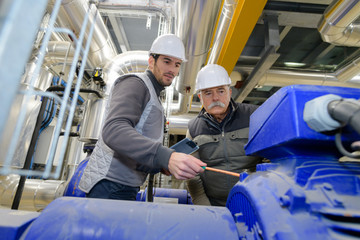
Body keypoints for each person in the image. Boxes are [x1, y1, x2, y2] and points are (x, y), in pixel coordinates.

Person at [79, 34, 206, 200]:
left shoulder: (154, 95)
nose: (172, 70)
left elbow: (137, 150)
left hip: (125, 185)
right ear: (151, 61)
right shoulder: (135, 83)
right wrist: (165, 156)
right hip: (109, 185)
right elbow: (114, 131)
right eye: (167, 61)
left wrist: (161, 164)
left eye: (177, 65)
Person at [186, 64, 263, 206]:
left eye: (221, 91)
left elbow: (272, 159)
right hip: (214, 204)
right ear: (200, 97)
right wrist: (205, 208)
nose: (215, 98)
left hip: (255, 201)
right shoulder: (193, 129)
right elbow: (193, 175)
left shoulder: (255, 116)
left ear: (230, 92)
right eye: (208, 93)